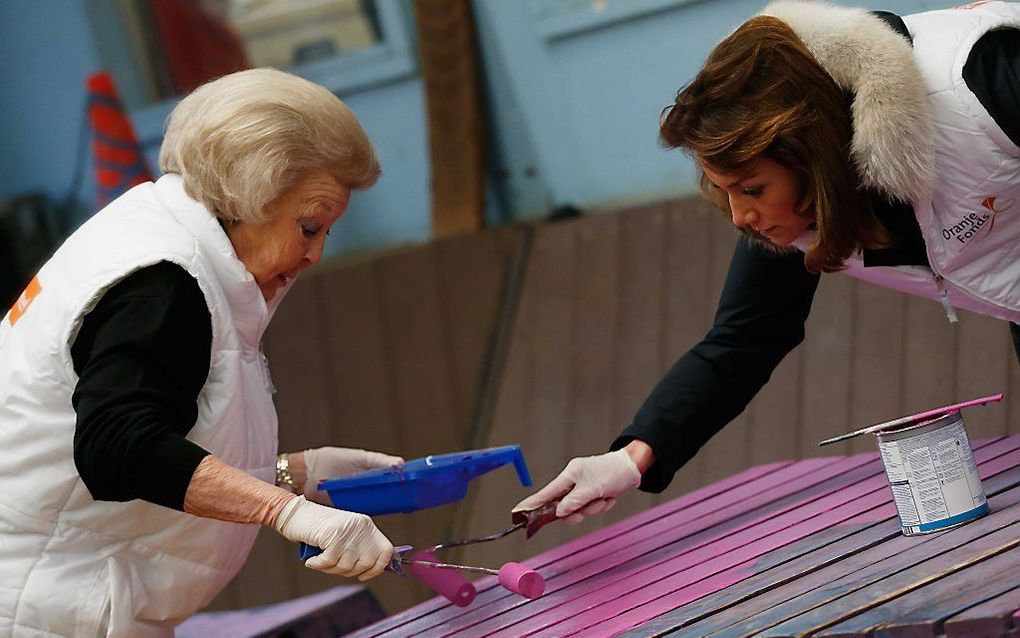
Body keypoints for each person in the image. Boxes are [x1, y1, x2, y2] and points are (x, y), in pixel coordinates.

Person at [515, 1, 1020, 523]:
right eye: (725, 189)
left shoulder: (979, 78)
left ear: (816, 156)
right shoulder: (797, 210)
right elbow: (745, 338)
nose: (739, 216)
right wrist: (629, 459)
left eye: (752, 188)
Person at [0, 68, 404, 637]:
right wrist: (285, 512)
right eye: (309, 226)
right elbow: (118, 447)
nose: (314, 255)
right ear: (251, 194)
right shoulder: (163, 281)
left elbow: (157, 424)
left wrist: (291, 473)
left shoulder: (168, 239)